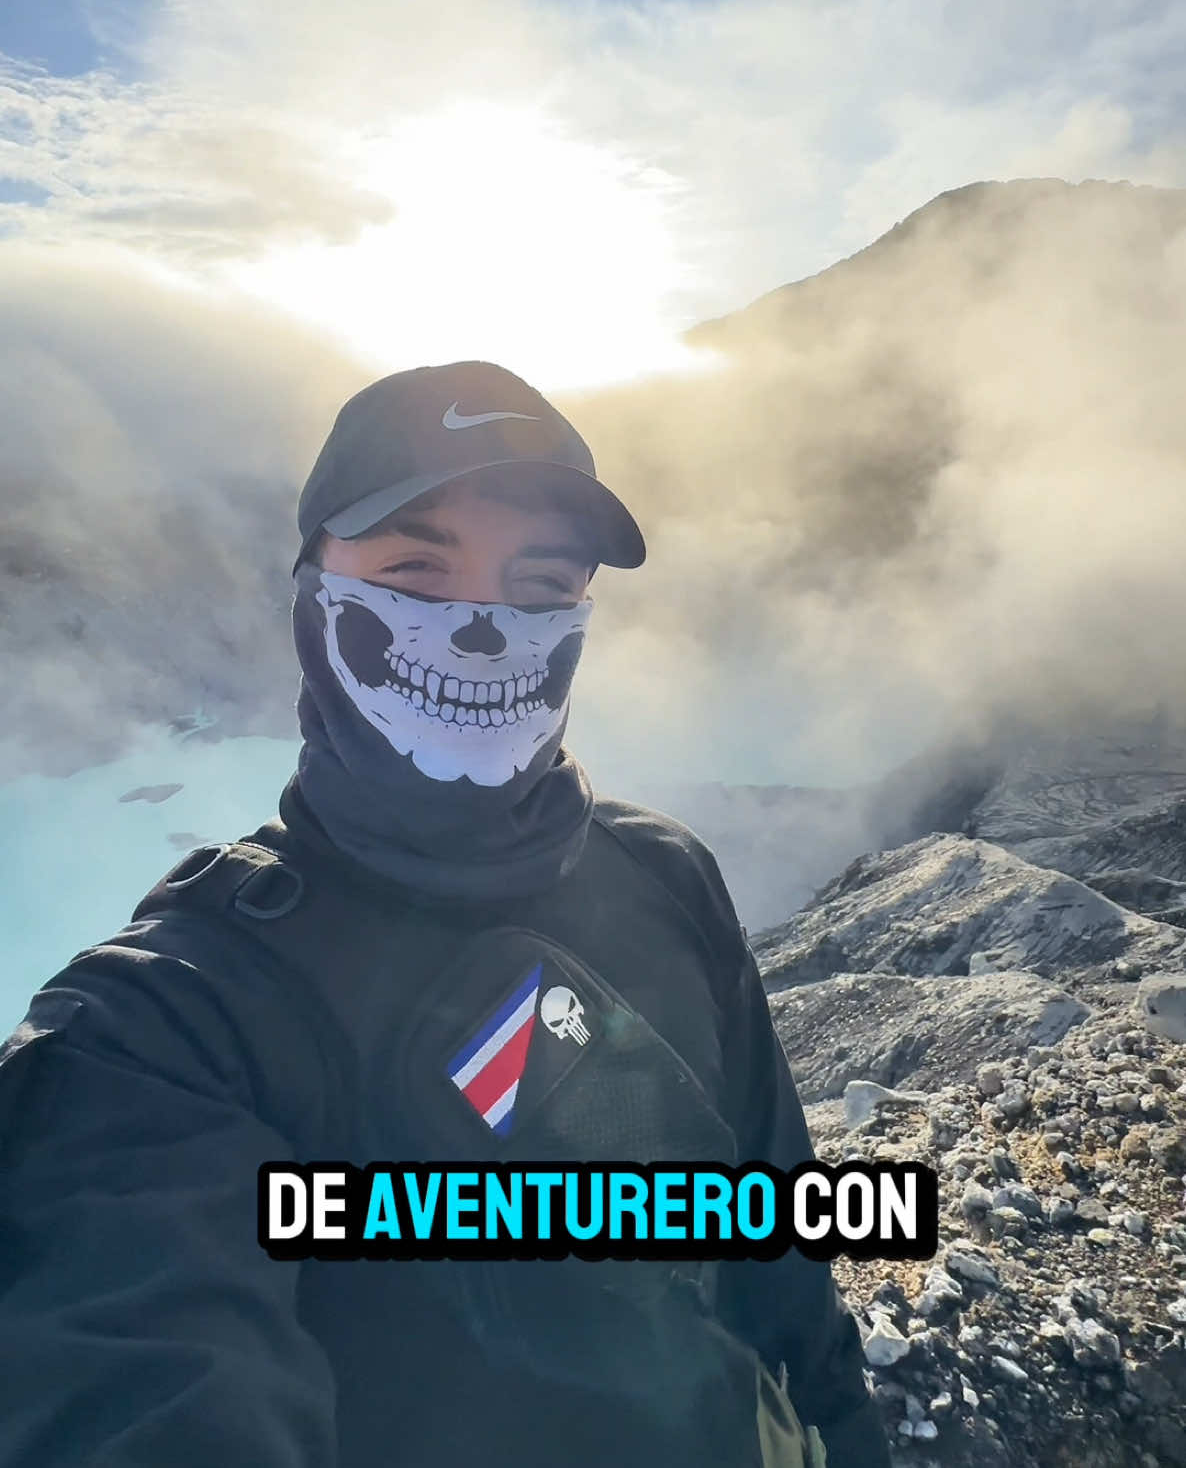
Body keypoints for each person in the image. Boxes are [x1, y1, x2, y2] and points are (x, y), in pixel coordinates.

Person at [0, 360, 890, 1468]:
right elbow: (134, 1376)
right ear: (309, 597)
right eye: (416, 574)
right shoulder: (161, 1027)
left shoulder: (666, 877)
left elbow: (772, 1258)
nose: (482, 627)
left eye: (540, 586)